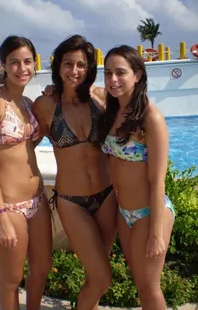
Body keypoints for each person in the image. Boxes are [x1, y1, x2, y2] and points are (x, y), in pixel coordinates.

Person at [33, 35, 117, 310]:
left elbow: (132, 117)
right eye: (68, 64)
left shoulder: (101, 98)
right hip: (72, 201)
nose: (74, 71)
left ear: (90, 67)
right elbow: (24, 144)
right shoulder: (46, 105)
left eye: (81, 65)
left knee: (97, 275)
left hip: (106, 196)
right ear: (58, 66)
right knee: (103, 277)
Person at [0, 35, 52, 310]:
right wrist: (1, 217)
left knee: (42, 268)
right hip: (8, 207)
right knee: (11, 278)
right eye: (15, 62)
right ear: (4, 66)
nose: (23, 68)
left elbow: (25, 147)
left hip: (38, 199)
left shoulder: (28, 103)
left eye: (28, 61)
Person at [101, 45, 175, 310]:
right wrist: (53, 90)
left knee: (149, 288)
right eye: (108, 73)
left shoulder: (150, 118)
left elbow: (158, 181)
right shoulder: (112, 110)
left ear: (138, 75)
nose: (113, 80)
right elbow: (81, 88)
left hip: (148, 214)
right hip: (125, 213)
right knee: (140, 284)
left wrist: (156, 233)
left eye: (121, 72)